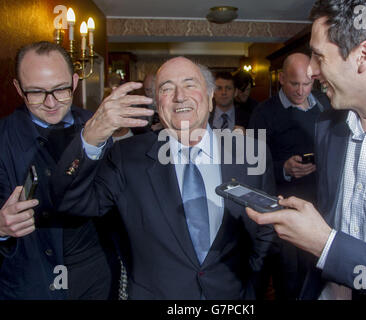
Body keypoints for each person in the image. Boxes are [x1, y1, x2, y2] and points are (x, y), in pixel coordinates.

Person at [52, 56, 276, 299]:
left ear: (210, 97)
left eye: (190, 84)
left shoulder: (249, 153)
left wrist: (252, 286)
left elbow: (267, 228)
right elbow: (69, 202)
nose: (180, 96)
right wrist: (91, 137)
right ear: (158, 105)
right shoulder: (126, 157)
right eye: (167, 88)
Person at [247, 0, 366, 300]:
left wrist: (327, 245)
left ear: (364, 56)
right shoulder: (328, 124)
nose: (311, 70)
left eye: (318, 56)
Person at [0, 41, 117, 299]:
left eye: (61, 89)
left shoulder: (96, 126)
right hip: (31, 283)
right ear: (19, 88)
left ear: (75, 82)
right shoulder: (3, 138)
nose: (51, 103)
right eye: (36, 92)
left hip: (96, 277)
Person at [249, 52, 330, 204]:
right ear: (282, 79)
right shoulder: (262, 113)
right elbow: (253, 164)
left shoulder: (325, 103)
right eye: (294, 83)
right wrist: (283, 169)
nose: (301, 91)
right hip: (285, 200)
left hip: (323, 199)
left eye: (306, 84)